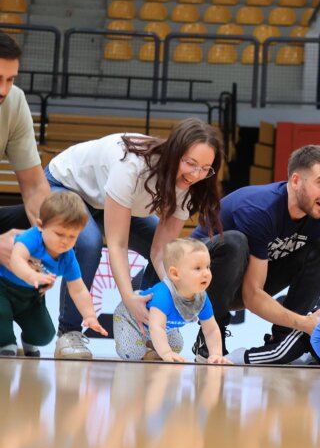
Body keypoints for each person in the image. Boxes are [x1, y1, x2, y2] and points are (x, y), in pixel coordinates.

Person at [45, 118, 222, 359]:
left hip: (106, 201)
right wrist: (128, 297)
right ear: (174, 153)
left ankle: (148, 326)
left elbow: (162, 252)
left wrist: (176, 295)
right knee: (89, 243)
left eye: (205, 168)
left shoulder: (191, 184)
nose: (196, 174)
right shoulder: (132, 165)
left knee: (174, 256)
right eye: (191, 163)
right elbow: (117, 244)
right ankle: (69, 332)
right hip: (66, 186)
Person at [192, 145, 320, 357]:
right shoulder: (260, 210)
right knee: (235, 242)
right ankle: (208, 335)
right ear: (296, 181)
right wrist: (307, 323)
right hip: (197, 283)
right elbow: (252, 296)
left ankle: (283, 339)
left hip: (247, 282)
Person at [0, 192, 105, 357]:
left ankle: (28, 342)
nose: (65, 241)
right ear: (41, 226)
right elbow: (16, 259)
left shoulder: (68, 256)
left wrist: (89, 315)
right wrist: (31, 276)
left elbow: (78, 289)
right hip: (3, 289)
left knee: (44, 335)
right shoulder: (32, 237)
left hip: (31, 296)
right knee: (1, 313)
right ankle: (6, 343)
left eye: (72, 236)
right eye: (59, 234)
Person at [113, 238, 227, 364]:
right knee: (132, 352)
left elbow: (211, 329)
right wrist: (165, 353)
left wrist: (216, 354)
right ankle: (146, 352)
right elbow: (156, 327)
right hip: (131, 318)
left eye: (207, 267)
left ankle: (151, 345)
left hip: (159, 327)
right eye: (198, 268)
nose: (206, 273)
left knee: (176, 346)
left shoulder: (202, 298)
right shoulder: (164, 294)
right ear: (175, 274)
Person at [0, 32, 50, 249]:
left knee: (64, 229)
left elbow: (34, 186)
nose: (3, 90)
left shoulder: (14, 100)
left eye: (10, 80)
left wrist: (52, 236)